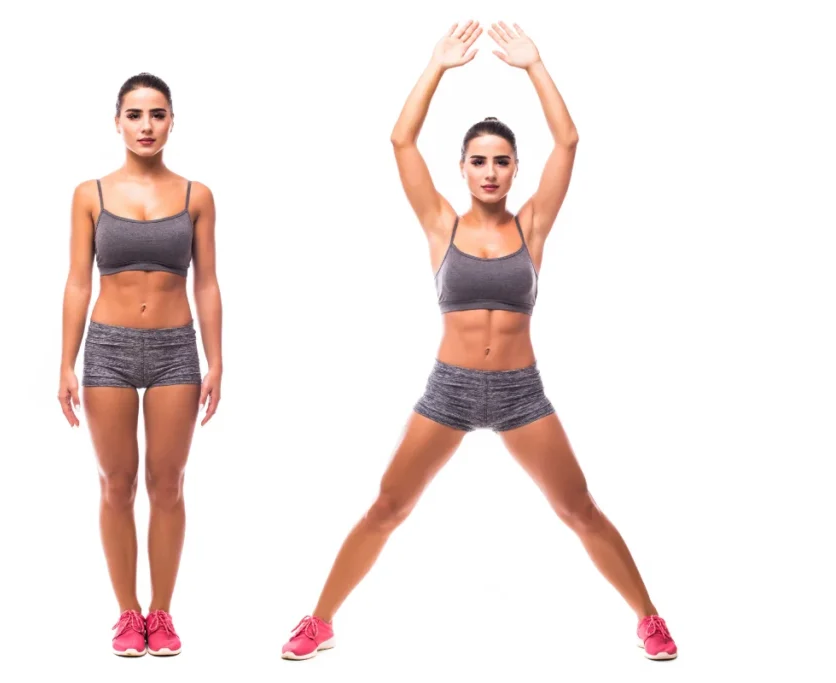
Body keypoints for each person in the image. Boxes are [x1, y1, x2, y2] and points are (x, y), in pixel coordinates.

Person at [281, 21, 676, 662]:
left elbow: (569, 140)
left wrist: (535, 65)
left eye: (501, 161)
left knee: (578, 509)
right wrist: (436, 66)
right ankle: (318, 621)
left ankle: (650, 619)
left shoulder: (533, 227)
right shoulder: (441, 224)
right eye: (478, 161)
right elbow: (400, 139)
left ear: (515, 168)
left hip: (522, 393)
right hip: (451, 389)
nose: (490, 171)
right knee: (387, 505)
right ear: (461, 168)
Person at [58, 72, 223, 657]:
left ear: (172, 121)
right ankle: (128, 614)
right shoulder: (90, 195)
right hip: (108, 349)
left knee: (168, 484)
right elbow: (79, 283)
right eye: (135, 115)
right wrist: (66, 363)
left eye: (157, 115)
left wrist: (216, 361)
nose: (146, 126)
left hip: (176, 349)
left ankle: (163, 614)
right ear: (118, 122)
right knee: (116, 484)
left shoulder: (195, 195)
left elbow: (206, 285)